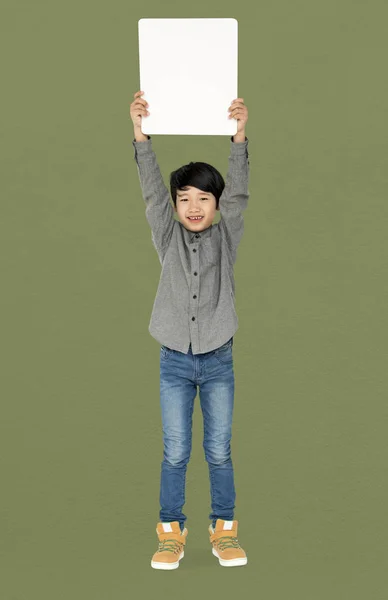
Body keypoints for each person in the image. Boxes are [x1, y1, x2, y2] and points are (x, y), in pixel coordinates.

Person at [129, 91, 250, 569]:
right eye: (186, 199)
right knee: (175, 451)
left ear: (217, 204)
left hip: (219, 358)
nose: (194, 206)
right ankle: (170, 533)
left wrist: (238, 137)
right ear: (175, 206)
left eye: (204, 198)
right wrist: (140, 134)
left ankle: (224, 530)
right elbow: (151, 189)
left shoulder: (227, 234)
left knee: (219, 450)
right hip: (174, 360)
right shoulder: (166, 232)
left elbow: (239, 194)